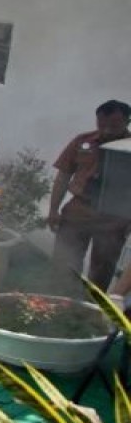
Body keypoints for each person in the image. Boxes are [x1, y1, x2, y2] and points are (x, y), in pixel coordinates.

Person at [48, 99, 131, 292]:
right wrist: (53, 210)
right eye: (102, 124)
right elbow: (63, 177)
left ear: (127, 122)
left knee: (102, 270)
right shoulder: (82, 142)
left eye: (114, 125)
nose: (107, 130)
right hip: (79, 210)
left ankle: (88, 311)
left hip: (114, 218)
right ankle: (58, 303)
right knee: (64, 262)